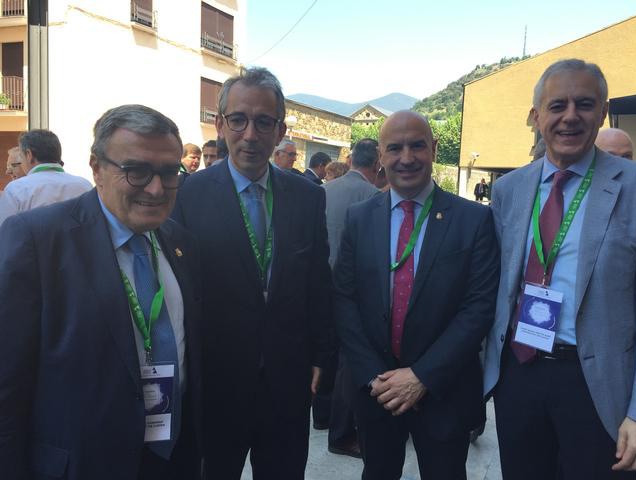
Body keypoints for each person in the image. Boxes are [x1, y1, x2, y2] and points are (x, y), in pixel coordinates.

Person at [0, 104, 203, 480]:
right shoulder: (37, 239)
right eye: (137, 171)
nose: (156, 188)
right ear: (97, 168)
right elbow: (7, 383)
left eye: (167, 172)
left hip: (172, 458)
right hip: (83, 464)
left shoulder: (179, 241)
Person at [172, 67, 332, 480]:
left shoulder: (308, 197)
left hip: (287, 379)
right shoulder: (186, 196)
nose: (250, 134)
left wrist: (322, 355)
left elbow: (317, 282)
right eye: (238, 120)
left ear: (280, 131)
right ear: (220, 124)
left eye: (263, 122)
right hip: (215, 380)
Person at [484, 59, 636, 480]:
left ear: (602, 112)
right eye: (557, 106)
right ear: (536, 116)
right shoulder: (509, 189)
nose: (570, 116)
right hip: (520, 373)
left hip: (597, 383)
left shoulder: (635, 187)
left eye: (584, 104)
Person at [334, 110, 499, 479]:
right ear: (380, 154)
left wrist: (421, 376)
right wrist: (373, 375)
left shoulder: (473, 220)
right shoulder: (359, 218)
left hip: (444, 391)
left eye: (417, 146)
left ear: (434, 149)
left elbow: (478, 307)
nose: (406, 158)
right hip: (376, 393)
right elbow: (344, 299)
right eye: (395, 148)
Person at [319, 138, 381, 459]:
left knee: (325, 352)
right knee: (346, 360)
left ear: (351, 159)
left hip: (319, 286)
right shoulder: (375, 198)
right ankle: (341, 433)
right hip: (352, 292)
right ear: (377, 165)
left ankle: (321, 416)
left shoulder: (323, 191)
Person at [0, 129, 92, 226]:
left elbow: (5, 230)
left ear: (29, 155)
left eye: (21, 157)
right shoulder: (85, 186)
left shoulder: (17, 189)